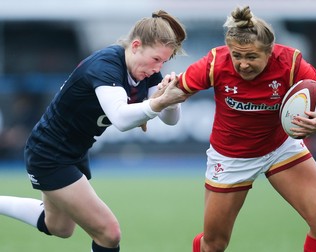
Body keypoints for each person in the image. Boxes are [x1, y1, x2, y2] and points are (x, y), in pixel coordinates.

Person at [0, 10, 188, 252]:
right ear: (136, 45)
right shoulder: (106, 65)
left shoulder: (147, 71)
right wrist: (158, 103)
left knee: (59, 227)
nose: (158, 68)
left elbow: (170, 120)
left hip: (74, 152)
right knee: (109, 233)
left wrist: (172, 98)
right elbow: (120, 118)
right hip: (49, 153)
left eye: (164, 62)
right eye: (156, 59)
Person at [177, 6, 316, 252]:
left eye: (251, 57)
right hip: (231, 157)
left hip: (280, 148)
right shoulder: (215, 62)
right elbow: (176, 91)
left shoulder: (290, 62)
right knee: (214, 245)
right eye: (237, 56)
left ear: (270, 51)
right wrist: (151, 107)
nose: (243, 64)